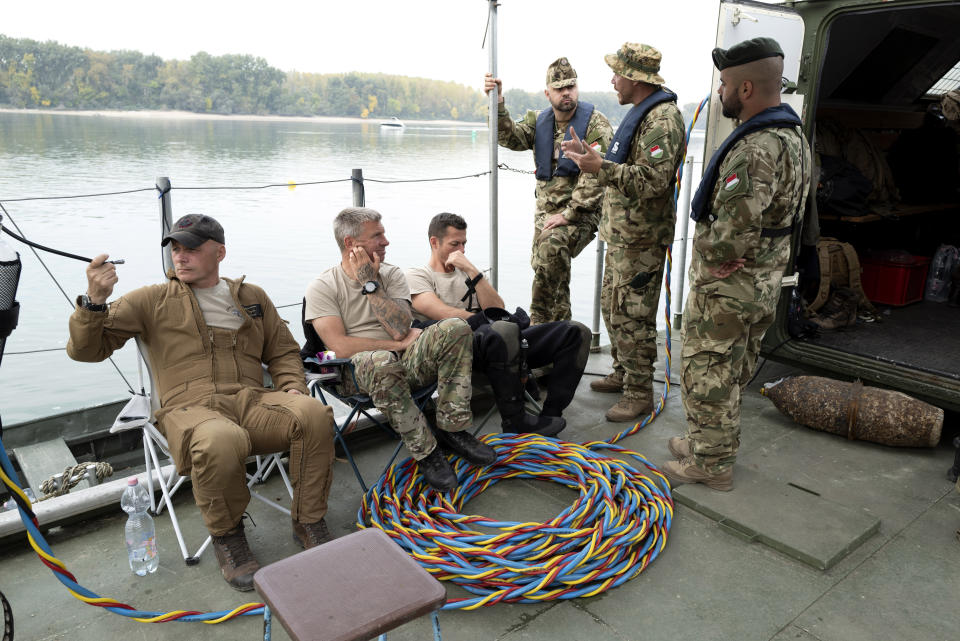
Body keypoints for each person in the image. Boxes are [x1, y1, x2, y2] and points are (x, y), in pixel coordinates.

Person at [67, 214, 336, 592]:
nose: (180, 256)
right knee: (219, 439)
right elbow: (86, 350)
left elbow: (284, 351)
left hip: (251, 399)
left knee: (314, 414)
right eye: (175, 248)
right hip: (187, 408)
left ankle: (309, 521)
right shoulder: (151, 300)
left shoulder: (252, 298)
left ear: (219, 252)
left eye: (191, 248)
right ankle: (229, 538)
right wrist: (94, 301)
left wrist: (292, 387)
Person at [660, 37, 812, 490]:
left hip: (733, 282)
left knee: (708, 367)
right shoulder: (793, 136)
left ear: (745, 88)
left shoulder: (755, 147)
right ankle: (705, 441)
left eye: (724, 83)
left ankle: (711, 464)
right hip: (764, 277)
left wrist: (713, 256)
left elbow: (732, 234)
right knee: (731, 365)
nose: (720, 91)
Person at [303, 207, 496, 493]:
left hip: (406, 361)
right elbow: (339, 346)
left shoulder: (391, 275)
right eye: (377, 235)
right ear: (350, 243)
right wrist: (394, 346)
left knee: (456, 327)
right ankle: (427, 452)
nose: (386, 241)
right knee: (381, 361)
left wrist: (372, 284)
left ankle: (452, 429)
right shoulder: (322, 286)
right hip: (353, 371)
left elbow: (399, 328)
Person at [561, 43, 686, 423]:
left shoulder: (661, 120)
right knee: (612, 308)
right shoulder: (641, 115)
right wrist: (593, 160)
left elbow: (653, 181)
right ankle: (623, 370)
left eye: (617, 73)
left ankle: (639, 391)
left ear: (635, 78)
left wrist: (602, 168)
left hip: (642, 241)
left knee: (633, 315)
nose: (613, 80)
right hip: (622, 236)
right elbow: (624, 168)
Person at [406, 213, 591, 437]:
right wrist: (486, 319)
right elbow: (441, 313)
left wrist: (474, 272)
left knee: (576, 332)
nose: (461, 250)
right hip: (461, 352)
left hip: (504, 343)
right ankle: (514, 420)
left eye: (464, 243)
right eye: (455, 244)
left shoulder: (469, 274)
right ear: (434, 242)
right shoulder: (417, 276)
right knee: (502, 328)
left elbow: (498, 309)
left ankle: (550, 414)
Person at [484, 57, 614, 325]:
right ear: (548, 93)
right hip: (545, 216)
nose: (566, 92)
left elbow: (596, 177)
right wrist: (497, 105)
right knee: (550, 272)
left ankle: (538, 325)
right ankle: (561, 339)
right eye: (559, 88)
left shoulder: (596, 125)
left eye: (571, 86)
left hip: (581, 214)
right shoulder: (540, 121)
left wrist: (569, 214)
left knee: (551, 250)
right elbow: (509, 137)